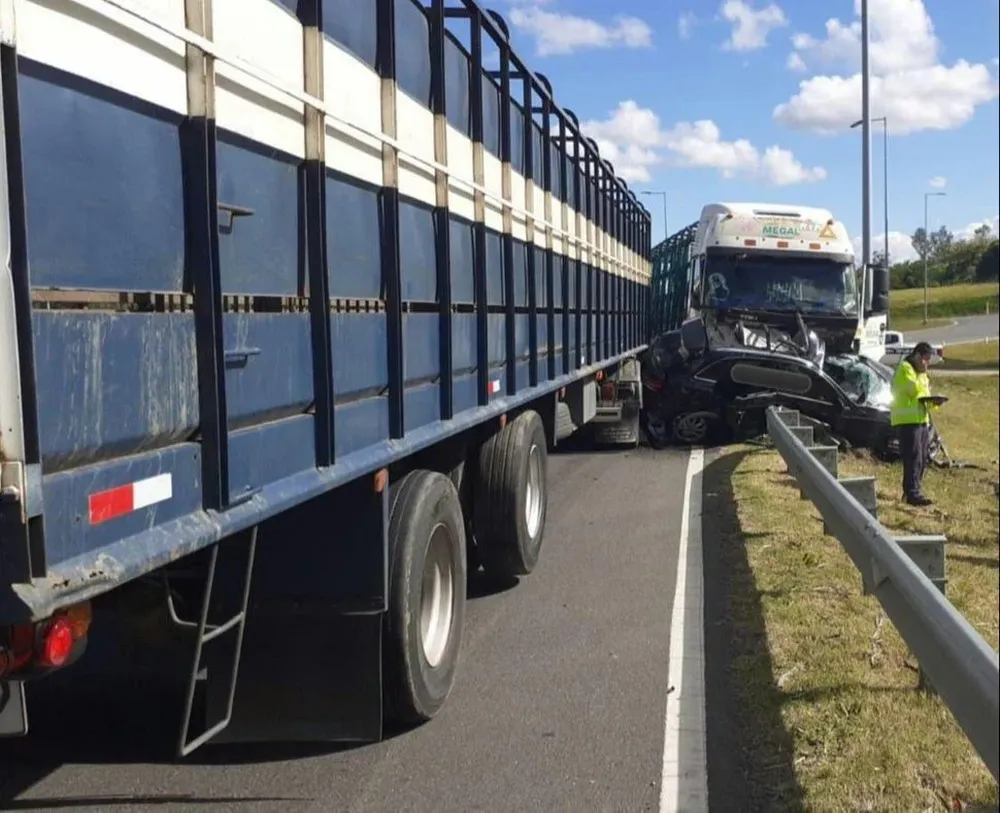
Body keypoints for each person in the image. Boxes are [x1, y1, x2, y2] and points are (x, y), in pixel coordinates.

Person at [890, 341, 943, 506]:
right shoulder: (905, 368)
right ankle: (912, 494)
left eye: (928, 360)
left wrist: (935, 402)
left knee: (922, 457)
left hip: (921, 420)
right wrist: (922, 376)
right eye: (925, 359)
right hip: (907, 421)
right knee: (912, 457)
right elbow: (913, 390)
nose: (927, 363)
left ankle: (914, 490)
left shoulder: (921, 374)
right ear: (917, 355)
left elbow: (924, 398)